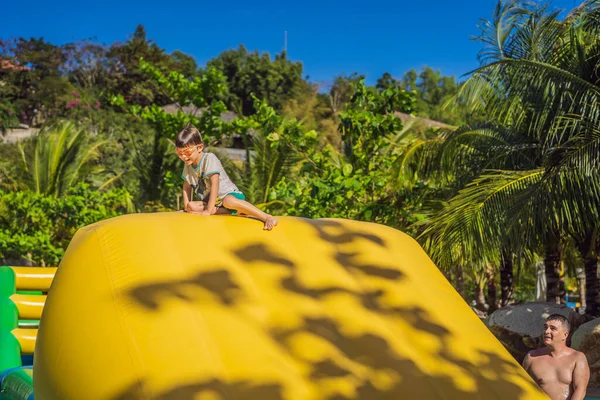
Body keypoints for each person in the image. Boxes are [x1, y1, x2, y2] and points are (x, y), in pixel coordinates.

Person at [175, 125, 278, 230]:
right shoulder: (188, 164)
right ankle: (235, 212)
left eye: (187, 152)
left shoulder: (209, 159)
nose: (184, 157)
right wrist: (186, 208)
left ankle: (266, 217)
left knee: (228, 201)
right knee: (192, 206)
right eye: (179, 153)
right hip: (216, 204)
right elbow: (187, 186)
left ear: (200, 147)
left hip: (230, 196)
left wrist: (208, 211)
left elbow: (215, 184)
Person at [522, 314, 590, 400]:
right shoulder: (531, 357)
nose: (546, 331)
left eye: (553, 328)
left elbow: (580, 390)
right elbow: (523, 386)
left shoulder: (577, 358)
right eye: (545, 327)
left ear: (565, 335)